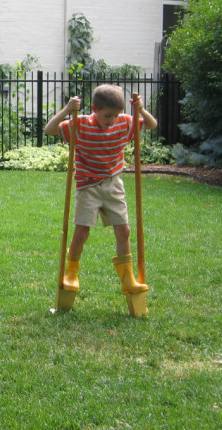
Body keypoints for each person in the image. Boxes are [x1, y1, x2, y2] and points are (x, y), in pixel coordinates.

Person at [44, 85, 157, 296]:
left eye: (116, 115)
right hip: (88, 186)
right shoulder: (80, 124)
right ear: (94, 108)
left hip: (113, 184)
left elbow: (151, 125)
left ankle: (128, 279)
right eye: (107, 116)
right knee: (82, 232)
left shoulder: (124, 123)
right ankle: (71, 272)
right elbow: (49, 129)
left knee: (123, 231)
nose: (112, 120)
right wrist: (67, 109)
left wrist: (140, 110)